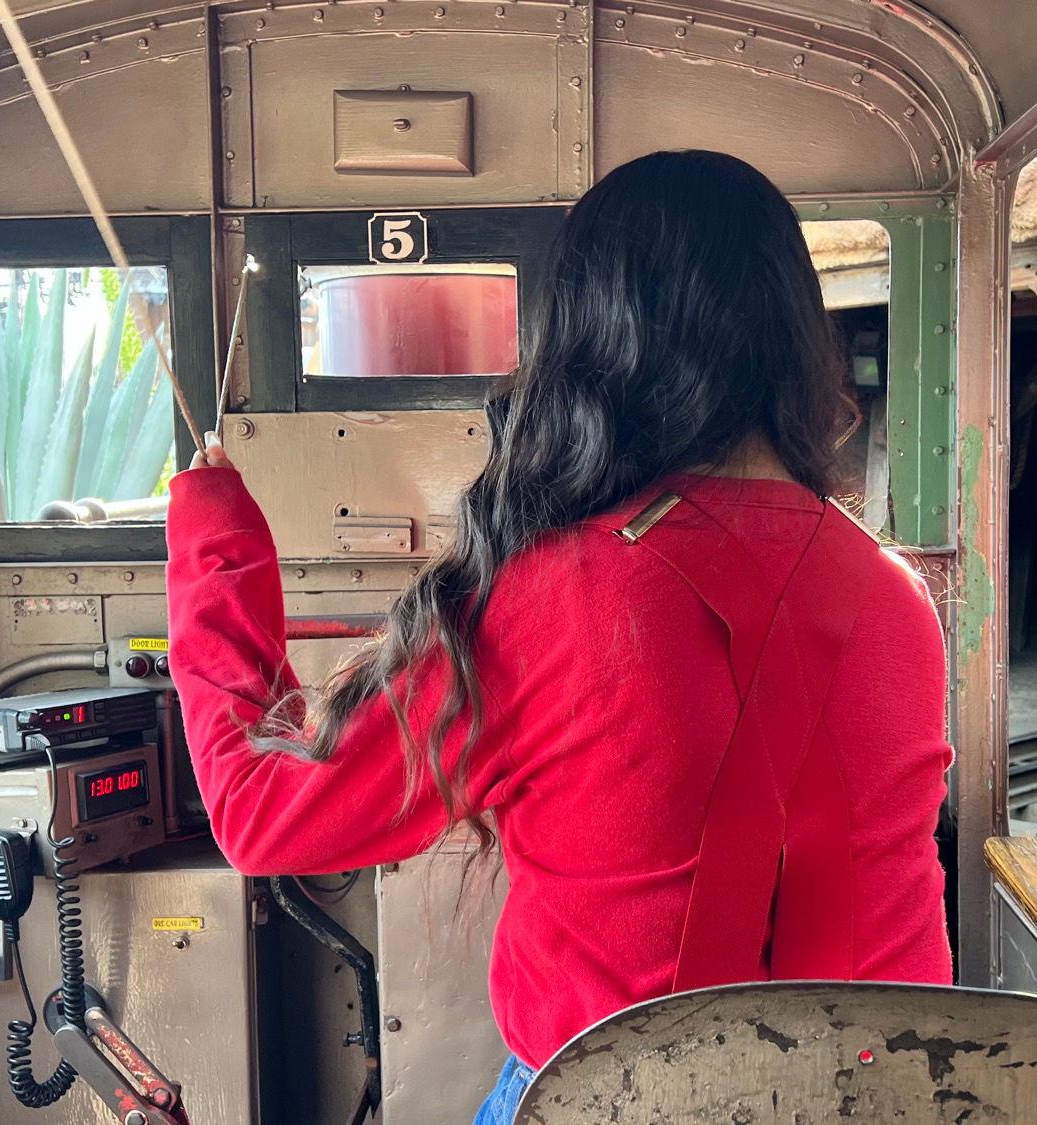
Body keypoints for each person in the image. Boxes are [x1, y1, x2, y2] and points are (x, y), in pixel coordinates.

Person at [166, 149, 953, 1125]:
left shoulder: (558, 597)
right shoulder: (896, 600)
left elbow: (264, 816)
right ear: (794, 337)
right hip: (886, 1100)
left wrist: (211, 539)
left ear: (586, 342)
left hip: (624, 1103)